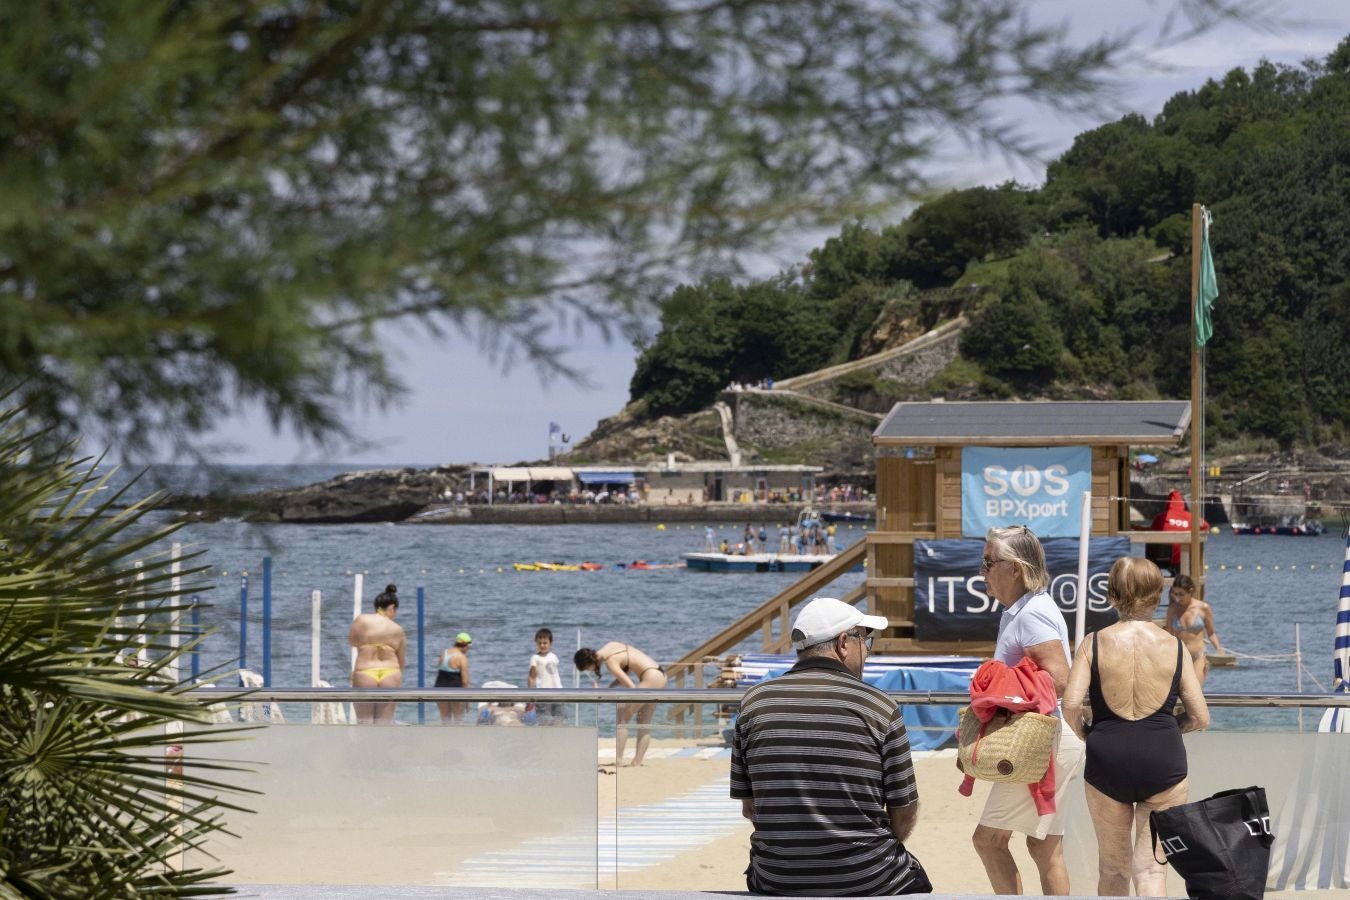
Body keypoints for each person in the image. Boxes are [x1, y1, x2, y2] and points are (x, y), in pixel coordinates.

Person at [730, 596, 931, 895]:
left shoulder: (754, 703)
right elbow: (905, 808)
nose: (867, 652)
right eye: (865, 641)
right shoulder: (880, 706)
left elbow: (751, 807)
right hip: (868, 876)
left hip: (776, 878)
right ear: (843, 643)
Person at [1063, 557, 1210, 897]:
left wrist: (1087, 734)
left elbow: (1070, 705)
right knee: (1151, 870)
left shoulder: (1094, 642)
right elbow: (1201, 716)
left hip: (1107, 756)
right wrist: (1172, 729)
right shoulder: (1174, 646)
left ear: (1112, 594)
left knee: (1113, 869)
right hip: (1163, 759)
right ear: (1158, 594)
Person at [971, 525, 1085, 896]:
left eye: (989, 562)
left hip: (1040, 744)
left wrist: (1001, 691)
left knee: (989, 841)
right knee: (1044, 846)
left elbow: (1061, 681)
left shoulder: (1031, 613)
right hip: (1054, 739)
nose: (981, 570)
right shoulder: (1021, 610)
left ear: (1015, 568)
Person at [574, 641, 668, 766]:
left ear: (588, 664)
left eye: (587, 669)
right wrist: (608, 689)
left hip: (650, 677)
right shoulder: (611, 645)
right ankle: (636, 763)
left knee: (622, 719)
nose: (590, 671)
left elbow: (631, 687)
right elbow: (626, 670)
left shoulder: (610, 663)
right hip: (660, 675)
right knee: (644, 723)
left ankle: (619, 760)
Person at [348, 589, 406, 725]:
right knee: (383, 725)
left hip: (365, 671)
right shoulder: (398, 629)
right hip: (391, 672)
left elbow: (351, 641)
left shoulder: (362, 619)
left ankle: (365, 746)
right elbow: (402, 661)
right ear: (392, 607)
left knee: (365, 724)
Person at [1163, 574, 1224, 685]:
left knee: (1195, 689)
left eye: (1181, 594)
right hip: (1179, 657)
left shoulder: (1203, 608)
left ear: (1190, 591)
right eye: (1175, 594)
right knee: (1179, 693)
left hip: (1198, 656)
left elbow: (1211, 633)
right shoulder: (1172, 609)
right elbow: (1169, 634)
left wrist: (1218, 648)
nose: (1178, 598)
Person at [527, 627, 564, 725]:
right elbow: (532, 677)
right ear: (536, 643)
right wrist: (530, 696)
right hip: (542, 694)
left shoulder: (554, 656)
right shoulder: (535, 658)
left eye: (545, 643)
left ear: (550, 643)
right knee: (544, 721)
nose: (542, 645)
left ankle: (556, 739)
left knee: (558, 719)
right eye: (539, 643)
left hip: (558, 693)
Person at [435, 632, 473, 723]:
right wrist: (467, 700)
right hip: (456, 690)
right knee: (458, 720)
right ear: (466, 645)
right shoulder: (462, 658)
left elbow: (441, 670)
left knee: (445, 719)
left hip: (439, 688)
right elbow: (465, 681)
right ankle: (457, 737)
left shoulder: (444, 653)